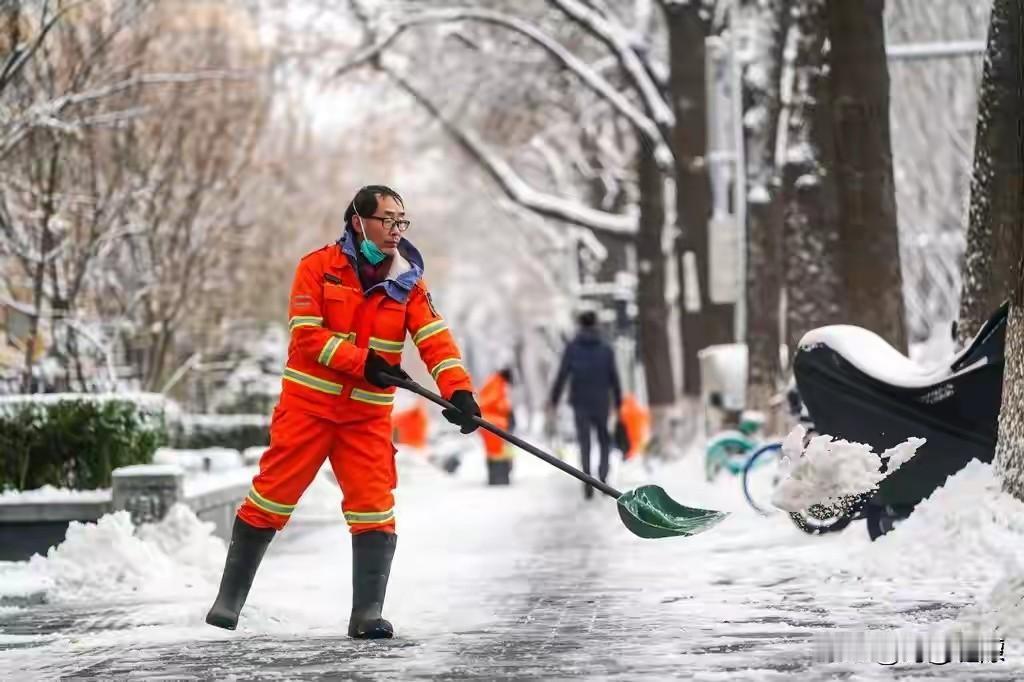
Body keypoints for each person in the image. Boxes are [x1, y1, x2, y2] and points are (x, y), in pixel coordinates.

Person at [205, 185, 480, 639]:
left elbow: (434, 339)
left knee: (374, 508)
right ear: (358, 221)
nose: (396, 230)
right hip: (308, 411)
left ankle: (367, 615)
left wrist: (460, 392)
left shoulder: (409, 281)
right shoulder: (317, 268)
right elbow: (307, 335)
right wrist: (363, 362)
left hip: (366, 420)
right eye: (387, 220)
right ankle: (228, 600)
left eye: (401, 221)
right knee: (271, 497)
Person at [548, 311, 622, 499]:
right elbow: (614, 377)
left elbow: (562, 374)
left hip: (580, 401)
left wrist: (554, 399)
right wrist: (618, 401)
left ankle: (587, 479)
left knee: (585, 442)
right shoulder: (606, 348)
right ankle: (603, 477)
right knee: (604, 439)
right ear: (596, 324)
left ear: (580, 325)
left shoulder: (572, 348)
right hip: (601, 401)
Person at [478, 367, 515, 485]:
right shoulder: (496, 383)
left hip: (492, 423)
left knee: (496, 452)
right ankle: (499, 479)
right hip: (493, 423)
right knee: (497, 453)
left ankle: (498, 478)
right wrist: (507, 411)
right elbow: (492, 402)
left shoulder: (495, 382)